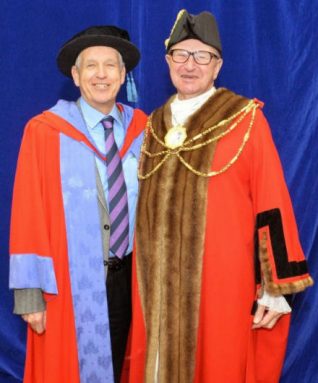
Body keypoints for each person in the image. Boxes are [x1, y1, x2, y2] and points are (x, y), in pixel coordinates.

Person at [127, 10, 313, 383]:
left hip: (220, 286)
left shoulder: (244, 118)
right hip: (154, 287)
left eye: (202, 56)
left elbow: (271, 200)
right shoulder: (152, 127)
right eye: (181, 54)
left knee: (219, 365)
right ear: (167, 62)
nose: (190, 65)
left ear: (218, 66)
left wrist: (275, 288)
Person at [9, 26, 147, 383]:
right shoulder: (45, 132)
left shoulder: (145, 130)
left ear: (122, 74)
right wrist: (29, 295)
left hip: (133, 278)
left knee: (129, 365)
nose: (101, 75)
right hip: (67, 283)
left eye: (110, 66)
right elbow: (28, 212)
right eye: (90, 66)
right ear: (75, 75)